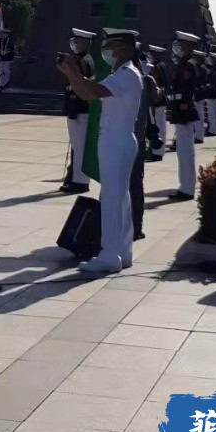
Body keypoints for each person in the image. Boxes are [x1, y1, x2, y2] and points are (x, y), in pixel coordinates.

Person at [58, 28, 143, 274]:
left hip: (117, 141)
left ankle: (109, 254)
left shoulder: (126, 74)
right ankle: (122, 252)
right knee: (120, 197)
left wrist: (73, 71)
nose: (107, 51)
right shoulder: (123, 74)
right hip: (118, 140)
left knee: (112, 198)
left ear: (124, 48)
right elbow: (87, 93)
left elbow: (91, 92)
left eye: (111, 46)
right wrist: (71, 73)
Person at [130, 50, 161, 240]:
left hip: (131, 140)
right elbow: (157, 98)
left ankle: (132, 226)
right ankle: (134, 227)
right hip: (136, 140)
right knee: (134, 187)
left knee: (129, 186)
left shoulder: (144, 81)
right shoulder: (147, 80)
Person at [61, 28, 96, 194]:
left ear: (86, 43)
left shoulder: (83, 61)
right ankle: (75, 179)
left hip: (80, 107)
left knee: (80, 147)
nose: (74, 44)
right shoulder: (80, 59)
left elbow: (81, 84)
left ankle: (81, 182)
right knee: (77, 146)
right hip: (76, 107)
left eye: (78, 41)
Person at [169, 31, 201, 201]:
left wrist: (184, 104)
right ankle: (185, 186)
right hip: (180, 110)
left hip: (184, 111)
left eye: (183, 44)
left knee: (186, 151)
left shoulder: (188, 64)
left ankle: (187, 188)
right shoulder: (183, 63)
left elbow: (189, 87)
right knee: (183, 151)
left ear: (190, 46)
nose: (180, 47)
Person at [148, 45, 168, 160]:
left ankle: (158, 152)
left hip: (157, 101)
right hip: (160, 100)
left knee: (158, 126)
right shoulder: (162, 66)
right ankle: (157, 150)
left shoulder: (156, 67)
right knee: (160, 125)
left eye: (152, 54)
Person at [205, 53, 216, 136]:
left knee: (213, 113)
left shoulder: (215, 70)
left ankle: (213, 130)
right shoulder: (213, 69)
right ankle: (213, 129)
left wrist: (208, 85)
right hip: (212, 94)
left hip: (213, 94)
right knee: (212, 113)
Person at [192, 50, 208, 144]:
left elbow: (201, 81)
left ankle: (199, 136)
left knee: (199, 116)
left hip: (199, 94)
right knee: (198, 116)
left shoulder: (201, 68)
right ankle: (198, 135)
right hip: (198, 94)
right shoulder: (199, 67)